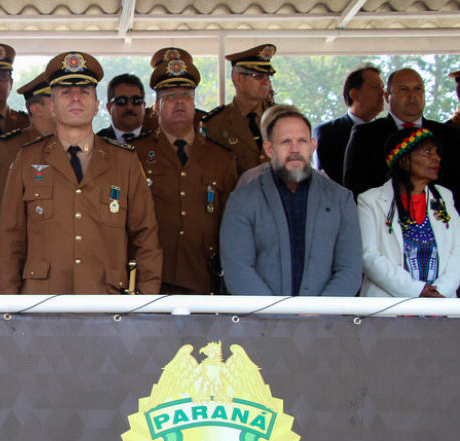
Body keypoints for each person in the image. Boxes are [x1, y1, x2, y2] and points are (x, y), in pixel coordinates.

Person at [0, 51, 163, 295]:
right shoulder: (27, 159)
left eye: (84, 92)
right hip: (41, 302)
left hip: (106, 302)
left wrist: (145, 304)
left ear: (96, 106)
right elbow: (10, 241)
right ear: (52, 107)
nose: (75, 99)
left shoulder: (124, 161)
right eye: (66, 93)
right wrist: (10, 309)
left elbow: (146, 236)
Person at [220, 104, 362, 296]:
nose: (295, 149)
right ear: (269, 149)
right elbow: (238, 269)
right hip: (263, 322)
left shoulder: (340, 199)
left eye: (302, 141)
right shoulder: (242, 200)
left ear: (312, 146)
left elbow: (350, 270)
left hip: (325, 322)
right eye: (286, 142)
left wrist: (318, 311)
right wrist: (276, 314)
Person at [128, 48, 237, 295]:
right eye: (170, 95)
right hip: (150, 277)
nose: (179, 101)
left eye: (186, 95)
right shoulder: (134, 153)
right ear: (156, 106)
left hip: (204, 277)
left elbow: (231, 223)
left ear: (194, 103)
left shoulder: (222, 158)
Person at [358, 128, 460, 297]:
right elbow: (368, 256)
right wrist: (416, 290)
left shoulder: (444, 197)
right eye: (428, 152)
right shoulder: (370, 200)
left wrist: (441, 291)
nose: (437, 158)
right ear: (404, 160)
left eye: (436, 153)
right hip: (390, 307)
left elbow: (458, 249)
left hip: (440, 306)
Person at [343, 68, 460, 200]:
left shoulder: (451, 135)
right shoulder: (365, 135)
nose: (412, 95)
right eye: (404, 89)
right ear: (387, 97)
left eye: (418, 88)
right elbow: (355, 188)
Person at [0, 72, 56, 260]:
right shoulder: (10, 148)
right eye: (56, 98)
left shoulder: (71, 146)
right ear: (37, 109)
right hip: (29, 262)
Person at [202, 44, 277, 177]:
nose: (266, 81)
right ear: (239, 79)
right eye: (259, 76)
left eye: (268, 76)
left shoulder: (280, 118)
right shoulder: (215, 124)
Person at [313, 64, 385, 185]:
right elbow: (326, 182)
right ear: (355, 95)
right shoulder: (327, 133)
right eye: (376, 87)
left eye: (383, 87)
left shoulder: (388, 131)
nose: (383, 93)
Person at [96, 73, 150, 144]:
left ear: (144, 106)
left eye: (136, 100)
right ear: (109, 108)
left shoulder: (159, 143)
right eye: (121, 101)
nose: (129, 107)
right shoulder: (95, 144)